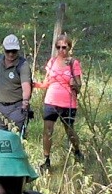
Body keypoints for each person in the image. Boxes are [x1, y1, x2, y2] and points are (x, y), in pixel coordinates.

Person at [34, 34, 83, 172]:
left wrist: (74, 84)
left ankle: (77, 151)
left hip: (68, 102)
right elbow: (46, 83)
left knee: (69, 130)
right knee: (47, 130)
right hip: (51, 101)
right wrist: (34, 84)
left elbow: (79, 86)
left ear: (69, 47)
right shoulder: (52, 62)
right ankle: (46, 160)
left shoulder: (73, 63)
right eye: (58, 47)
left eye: (64, 47)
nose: (61, 50)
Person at [0, 35, 32, 137]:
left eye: (13, 51)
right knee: (1, 138)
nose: (11, 54)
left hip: (17, 108)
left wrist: (25, 102)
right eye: (8, 51)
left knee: (16, 138)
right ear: (4, 49)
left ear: (17, 50)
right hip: (0, 107)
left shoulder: (23, 65)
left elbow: (26, 86)